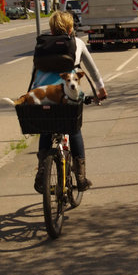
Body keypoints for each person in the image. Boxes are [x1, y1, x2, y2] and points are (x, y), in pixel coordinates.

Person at [32, 10, 107, 193]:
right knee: (74, 130)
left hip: (42, 96)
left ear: (51, 27)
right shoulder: (77, 43)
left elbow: (34, 72)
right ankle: (80, 177)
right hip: (67, 99)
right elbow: (93, 70)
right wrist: (101, 91)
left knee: (46, 128)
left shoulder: (42, 45)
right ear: (70, 27)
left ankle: (42, 170)